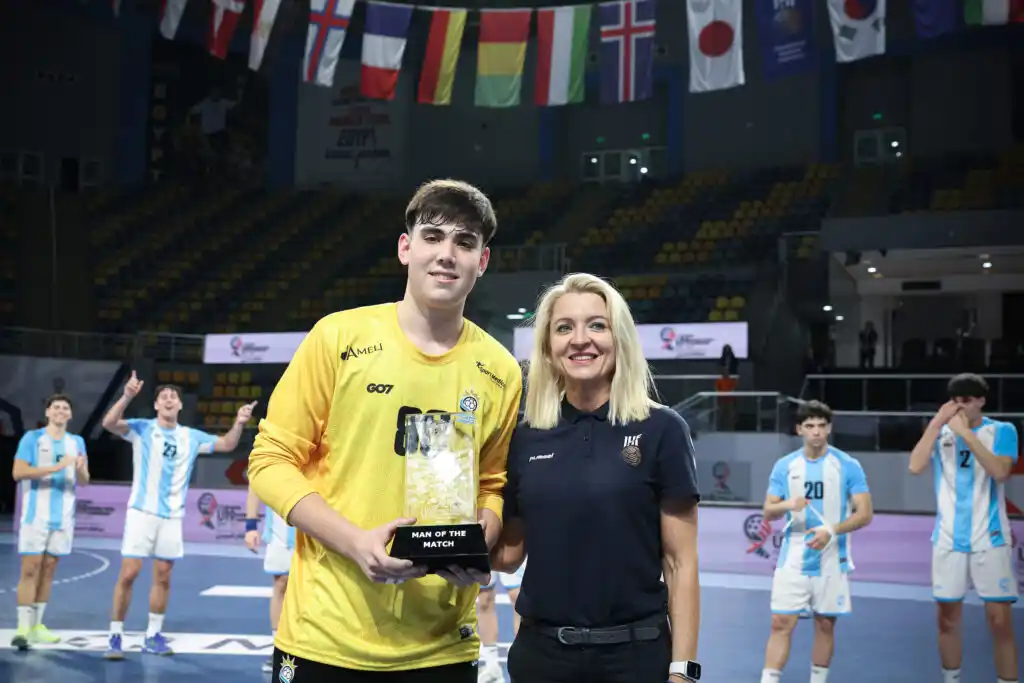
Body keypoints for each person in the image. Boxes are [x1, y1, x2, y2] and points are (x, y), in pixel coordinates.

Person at [247, 179, 523, 682]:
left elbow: (491, 483)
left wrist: (482, 534)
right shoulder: (337, 337)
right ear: (405, 247)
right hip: (325, 637)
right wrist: (354, 541)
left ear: (482, 261)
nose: (447, 254)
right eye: (433, 236)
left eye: (465, 242)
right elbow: (269, 460)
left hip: (441, 646)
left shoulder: (500, 369)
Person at [491, 272, 702, 683]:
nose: (580, 339)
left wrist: (683, 671)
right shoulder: (525, 437)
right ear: (549, 349)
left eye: (597, 325)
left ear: (619, 338)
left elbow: (681, 562)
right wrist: (440, 536)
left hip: (636, 659)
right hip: (541, 659)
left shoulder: (663, 430)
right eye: (564, 327)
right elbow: (510, 553)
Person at [100, 374, 256, 659]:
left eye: (174, 396)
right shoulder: (142, 429)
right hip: (142, 513)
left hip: (172, 517)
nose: (169, 399)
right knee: (129, 573)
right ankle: (115, 635)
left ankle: (153, 635)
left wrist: (239, 422)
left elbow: (227, 445)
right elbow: (109, 423)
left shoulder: (190, 436)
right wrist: (127, 397)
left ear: (180, 406)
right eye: (163, 397)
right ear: (157, 406)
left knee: (163, 576)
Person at [908, 373, 1019, 683]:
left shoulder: (1002, 431)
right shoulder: (940, 432)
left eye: (967, 401)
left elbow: (1000, 471)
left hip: (991, 538)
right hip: (947, 539)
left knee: (999, 622)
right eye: (956, 401)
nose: (960, 407)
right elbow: (915, 466)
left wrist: (966, 435)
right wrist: (935, 424)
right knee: (947, 620)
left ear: (981, 401)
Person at [759, 400, 874, 683]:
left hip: (831, 556)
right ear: (799, 430)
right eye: (810, 426)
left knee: (825, 625)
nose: (816, 432)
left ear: (829, 428)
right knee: (780, 622)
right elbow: (768, 511)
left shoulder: (847, 465)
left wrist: (831, 531)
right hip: (793, 556)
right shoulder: (785, 466)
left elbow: (865, 514)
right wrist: (790, 503)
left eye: (822, 426)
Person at [10, 394, 90, 650]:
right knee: (30, 569)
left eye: (65, 408)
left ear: (70, 415)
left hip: (63, 516)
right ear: (47, 412)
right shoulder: (32, 439)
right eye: (56, 407)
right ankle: (22, 627)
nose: (61, 411)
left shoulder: (77, 442)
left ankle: (37, 625)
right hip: (36, 515)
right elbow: (18, 472)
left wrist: (78, 468)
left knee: (49, 570)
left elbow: (85, 480)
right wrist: (55, 468)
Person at [244, 484, 295, 674]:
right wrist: (251, 526)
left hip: (314, 527)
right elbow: (256, 486)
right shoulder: (272, 454)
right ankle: (278, 648)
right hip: (280, 528)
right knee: (281, 582)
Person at [476, 560, 527, 683]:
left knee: (518, 597)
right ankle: (491, 665)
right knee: (484, 600)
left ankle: (524, 662)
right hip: (484, 546)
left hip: (509, 543)